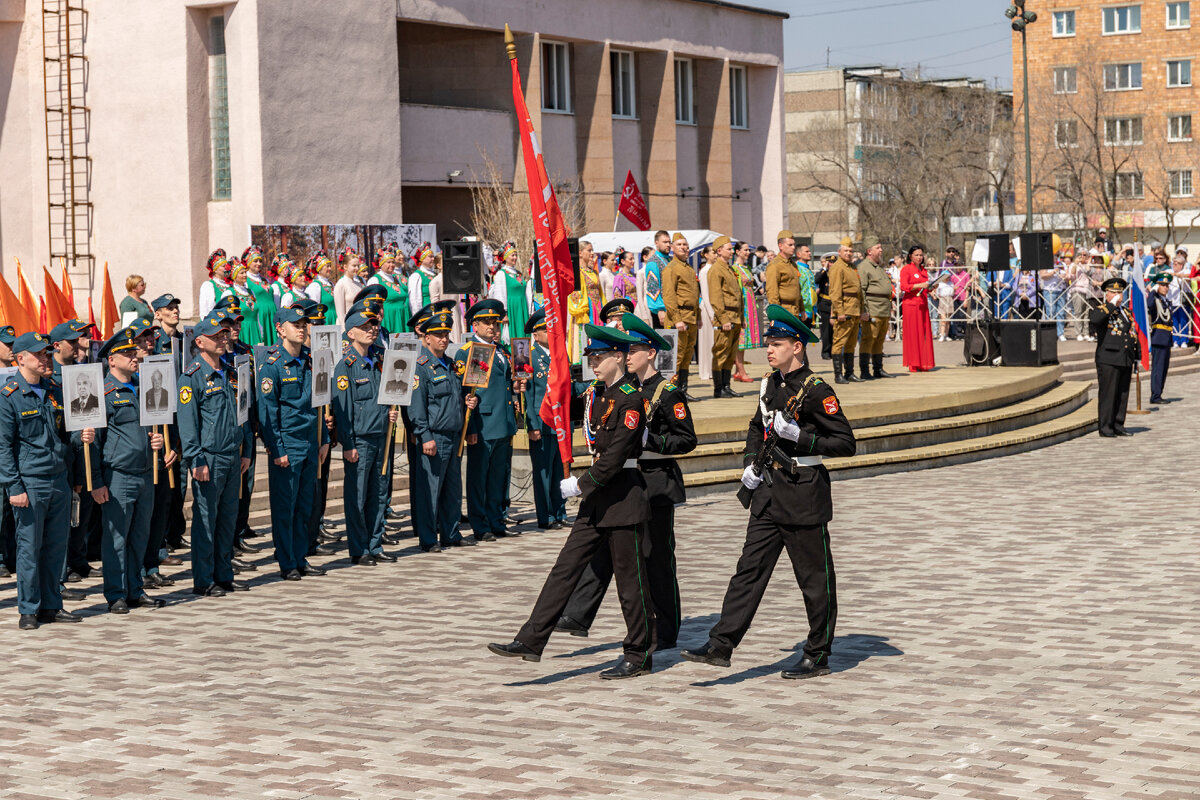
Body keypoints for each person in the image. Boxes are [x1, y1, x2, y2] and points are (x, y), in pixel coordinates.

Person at [681, 305, 855, 678]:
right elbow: (756, 428)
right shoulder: (770, 384)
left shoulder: (817, 390)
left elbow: (844, 443)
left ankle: (818, 653)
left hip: (803, 493)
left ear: (797, 346)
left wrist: (802, 438)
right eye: (768, 344)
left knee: (814, 580)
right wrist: (749, 462)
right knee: (748, 571)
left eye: (776, 344)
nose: (769, 350)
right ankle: (721, 644)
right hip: (768, 492)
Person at [488, 323, 655, 680]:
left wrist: (581, 485)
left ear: (618, 357)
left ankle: (638, 652)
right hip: (597, 500)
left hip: (622, 495)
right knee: (564, 570)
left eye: (599, 357)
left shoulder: (630, 397)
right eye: (590, 357)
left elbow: (616, 456)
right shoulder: (599, 392)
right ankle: (532, 639)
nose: (593, 363)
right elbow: (561, 396)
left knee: (629, 583)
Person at [557, 312, 696, 647]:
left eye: (633, 350)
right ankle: (578, 613)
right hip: (623, 478)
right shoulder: (624, 390)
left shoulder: (666, 391)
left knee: (656, 557)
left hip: (655, 482)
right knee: (605, 546)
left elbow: (687, 440)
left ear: (650, 353)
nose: (627, 355)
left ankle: (665, 629)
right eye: (625, 350)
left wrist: (652, 441)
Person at [76, 327, 168, 613]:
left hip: (144, 472)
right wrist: (97, 482)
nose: (134, 357)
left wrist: (158, 441)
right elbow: (93, 442)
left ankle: (134, 589)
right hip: (118, 475)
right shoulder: (102, 393)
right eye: (126, 353)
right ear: (111, 360)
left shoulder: (143, 389)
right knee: (116, 538)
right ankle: (115, 593)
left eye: (133, 352)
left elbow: (148, 428)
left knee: (139, 536)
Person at [0, 332, 80, 629]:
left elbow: (63, 434)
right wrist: (14, 486)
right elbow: (3, 447)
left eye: (47, 353)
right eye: (39, 354)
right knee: (29, 547)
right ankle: (28, 608)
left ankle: (52, 604)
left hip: (58, 477)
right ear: (20, 359)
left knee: (56, 547)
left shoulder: (54, 390)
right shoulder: (8, 396)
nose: (45, 358)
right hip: (30, 482)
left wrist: (79, 436)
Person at [177, 310, 253, 596]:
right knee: (206, 520)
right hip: (208, 457)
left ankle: (224, 573)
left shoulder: (231, 370)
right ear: (199, 342)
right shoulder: (191, 377)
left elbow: (242, 410)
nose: (222, 339)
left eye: (224, 333)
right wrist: (195, 458)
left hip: (233, 454)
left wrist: (245, 447)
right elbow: (187, 423)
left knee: (227, 518)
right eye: (216, 335)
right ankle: (204, 578)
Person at [258, 306, 330, 580]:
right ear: (280, 329)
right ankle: (287, 561)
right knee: (285, 508)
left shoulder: (312, 359)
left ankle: (300, 556)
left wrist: (323, 437)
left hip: (310, 441)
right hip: (287, 444)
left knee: (305, 505)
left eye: (304, 324)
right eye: (295, 324)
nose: (301, 328)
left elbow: (320, 400)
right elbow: (267, 411)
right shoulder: (272, 364)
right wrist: (277, 449)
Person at [408, 303, 479, 552]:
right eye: (438, 335)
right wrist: (424, 435)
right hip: (434, 437)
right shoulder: (421, 366)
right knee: (430, 490)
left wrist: (468, 400)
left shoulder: (451, 365)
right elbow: (416, 407)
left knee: (452, 490)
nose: (443, 338)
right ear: (426, 337)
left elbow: (456, 397)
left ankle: (451, 533)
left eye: (446, 334)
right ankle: (429, 538)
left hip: (453, 434)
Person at [331, 309, 400, 565]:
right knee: (358, 496)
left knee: (379, 493)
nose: (372, 330)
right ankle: (359, 548)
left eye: (374, 325)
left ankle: (375, 543)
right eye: (365, 326)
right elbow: (343, 409)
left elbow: (391, 392)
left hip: (382, 435)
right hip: (359, 441)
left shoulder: (381, 359)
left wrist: (391, 412)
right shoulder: (345, 366)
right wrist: (348, 445)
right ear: (351, 333)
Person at [457, 299, 525, 541]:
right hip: (483, 424)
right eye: (486, 323)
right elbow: (467, 393)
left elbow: (504, 385)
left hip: (503, 422)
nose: (492, 327)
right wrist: (471, 427)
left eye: (495, 323)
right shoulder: (470, 352)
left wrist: (515, 387)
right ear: (475, 325)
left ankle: (496, 520)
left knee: (499, 477)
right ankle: (480, 524)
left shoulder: (503, 351)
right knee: (479, 478)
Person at [521, 309, 569, 530]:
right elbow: (527, 394)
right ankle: (546, 516)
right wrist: (532, 424)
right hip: (542, 422)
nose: (550, 334)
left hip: (559, 422)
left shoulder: (559, 355)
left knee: (559, 470)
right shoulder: (528, 356)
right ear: (535, 334)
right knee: (543, 472)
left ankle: (560, 511)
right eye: (545, 330)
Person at [1089, 277, 1140, 437]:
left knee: (1122, 393)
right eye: (1114, 292)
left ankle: (1118, 424)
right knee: (1108, 394)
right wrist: (1111, 305)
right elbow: (1095, 320)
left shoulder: (1126, 312)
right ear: (1106, 294)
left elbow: (1132, 334)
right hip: (1108, 358)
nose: (1118, 295)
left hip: (1125, 357)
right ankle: (1106, 427)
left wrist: (1136, 356)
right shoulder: (1101, 309)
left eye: (1120, 292)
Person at [661, 232, 701, 401]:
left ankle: (683, 391)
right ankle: (672, 393)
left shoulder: (689, 269)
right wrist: (677, 319)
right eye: (679, 245)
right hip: (679, 318)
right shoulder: (671, 269)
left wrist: (698, 316)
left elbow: (694, 295)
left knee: (686, 356)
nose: (684, 248)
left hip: (691, 317)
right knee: (676, 357)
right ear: (671, 248)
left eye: (685, 245)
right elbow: (669, 297)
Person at [707, 235, 743, 398]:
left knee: (731, 353)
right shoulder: (716, 269)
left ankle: (726, 386)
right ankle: (718, 388)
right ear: (719, 251)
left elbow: (737, 295)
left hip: (735, 315)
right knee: (721, 352)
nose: (732, 251)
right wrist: (724, 319)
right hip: (726, 316)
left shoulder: (729, 269)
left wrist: (741, 318)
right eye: (729, 249)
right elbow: (716, 297)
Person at [828, 237, 867, 383]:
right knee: (839, 342)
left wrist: (862, 309)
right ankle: (838, 374)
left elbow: (858, 290)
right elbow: (835, 292)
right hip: (845, 309)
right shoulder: (838, 268)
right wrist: (840, 312)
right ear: (839, 252)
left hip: (855, 309)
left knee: (851, 343)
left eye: (851, 251)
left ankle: (849, 373)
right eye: (846, 250)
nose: (849, 253)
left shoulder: (851, 267)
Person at [856, 236, 893, 379]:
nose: (881, 250)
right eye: (878, 248)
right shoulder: (864, 267)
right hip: (872, 309)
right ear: (869, 251)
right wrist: (864, 310)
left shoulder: (878, 267)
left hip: (883, 309)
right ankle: (865, 371)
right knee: (868, 340)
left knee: (879, 341)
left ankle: (878, 369)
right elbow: (861, 290)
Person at [899, 245, 936, 372]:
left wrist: (931, 287)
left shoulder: (923, 270)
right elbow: (904, 286)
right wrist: (920, 285)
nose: (919, 257)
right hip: (911, 305)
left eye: (921, 255)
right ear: (910, 256)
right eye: (916, 255)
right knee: (913, 333)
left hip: (923, 304)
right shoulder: (906, 269)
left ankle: (923, 362)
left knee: (924, 333)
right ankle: (913, 363)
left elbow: (924, 286)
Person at [488, 242, 530, 344]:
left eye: (516, 255)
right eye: (512, 255)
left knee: (523, 335)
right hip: (511, 310)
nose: (515, 258)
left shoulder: (518, 273)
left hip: (521, 309)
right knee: (512, 336)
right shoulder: (501, 274)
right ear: (506, 257)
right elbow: (499, 294)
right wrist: (504, 313)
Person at [731, 241, 759, 382]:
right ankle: (741, 370)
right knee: (740, 339)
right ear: (737, 252)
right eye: (745, 250)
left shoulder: (746, 267)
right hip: (742, 305)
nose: (747, 252)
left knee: (744, 339)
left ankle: (738, 371)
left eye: (748, 250)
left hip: (749, 304)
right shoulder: (735, 268)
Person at [366, 246, 409, 334]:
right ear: (381, 264)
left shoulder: (397, 278)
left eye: (393, 262)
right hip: (388, 318)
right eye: (388, 262)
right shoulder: (375, 280)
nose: (392, 265)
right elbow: (370, 304)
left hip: (402, 317)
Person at [1148, 271, 1175, 405]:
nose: (1165, 287)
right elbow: (1149, 305)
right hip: (1158, 337)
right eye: (1162, 284)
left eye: (1166, 285)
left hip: (1166, 338)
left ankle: (1159, 393)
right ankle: (1155, 395)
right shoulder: (1155, 300)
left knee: (1164, 369)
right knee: (1158, 368)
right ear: (1157, 286)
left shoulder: (1166, 300)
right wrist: (1152, 291)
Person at [764, 230, 803, 319]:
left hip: (795, 310)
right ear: (780, 246)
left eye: (794, 245)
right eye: (790, 245)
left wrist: (802, 309)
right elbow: (772, 292)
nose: (793, 247)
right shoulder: (775, 265)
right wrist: (777, 314)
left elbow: (797, 289)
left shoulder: (792, 264)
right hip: (784, 311)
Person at [644, 230, 671, 328]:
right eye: (665, 242)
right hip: (662, 311)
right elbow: (653, 288)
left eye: (669, 242)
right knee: (666, 341)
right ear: (656, 243)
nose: (668, 245)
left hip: (672, 309)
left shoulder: (670, 259)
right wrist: (659, 309)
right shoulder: (653, 262)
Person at [198, 250, 235, 319]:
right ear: (215, 269)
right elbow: (205, 312)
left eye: (227, 266)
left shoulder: (231, 285)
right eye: (223, 266)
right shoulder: (209, 285)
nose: (226, 268)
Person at [407, 243, 439, 317]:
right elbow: (414, 300)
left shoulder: (435, 274)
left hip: (437, 312)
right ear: (422, 259)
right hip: (426, 313)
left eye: (433, 256)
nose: (433, 259)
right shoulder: (416, 276)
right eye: (430, 257)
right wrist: (418, 318)